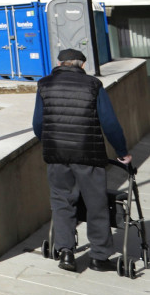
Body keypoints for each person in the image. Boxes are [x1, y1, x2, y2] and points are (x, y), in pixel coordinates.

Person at [33, 48, 132, 272]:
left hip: (57, 155)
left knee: (62, 202)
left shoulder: (44, 84)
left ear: (59, 63)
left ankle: (66, 252)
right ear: (82, 65)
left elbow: (38, 124)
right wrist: (121, 151)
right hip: (88, 155)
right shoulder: (93, 85)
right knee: (96, 204)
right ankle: (99, 257)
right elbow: (109, 123)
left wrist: (50, 142)